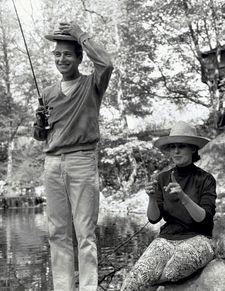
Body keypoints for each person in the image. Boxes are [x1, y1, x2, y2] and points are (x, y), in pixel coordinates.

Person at [33, 21, 113, 291]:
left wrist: (80, 34)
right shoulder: (47, 94)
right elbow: (42, 136)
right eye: (57, 54)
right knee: (57, 233)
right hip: (52, 164)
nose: (61, 59)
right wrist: (39, 127)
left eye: (68, 54)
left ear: (79, 57)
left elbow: (106, 62)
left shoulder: (92, 84)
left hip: (82, 160)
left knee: (85, 234)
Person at [121, 121, 217, 291]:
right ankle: (145, 282)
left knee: (174, 269)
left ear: (193, 148)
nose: (176, 151)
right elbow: (153, 218)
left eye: (181, 146)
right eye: (172, 147)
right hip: (167, 239)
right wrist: (151, 198)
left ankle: (151, 283)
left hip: (199, 238)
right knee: (132, 281)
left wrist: (183, 197)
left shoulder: (206, 179)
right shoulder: (162, 178)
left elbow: (206, 221)